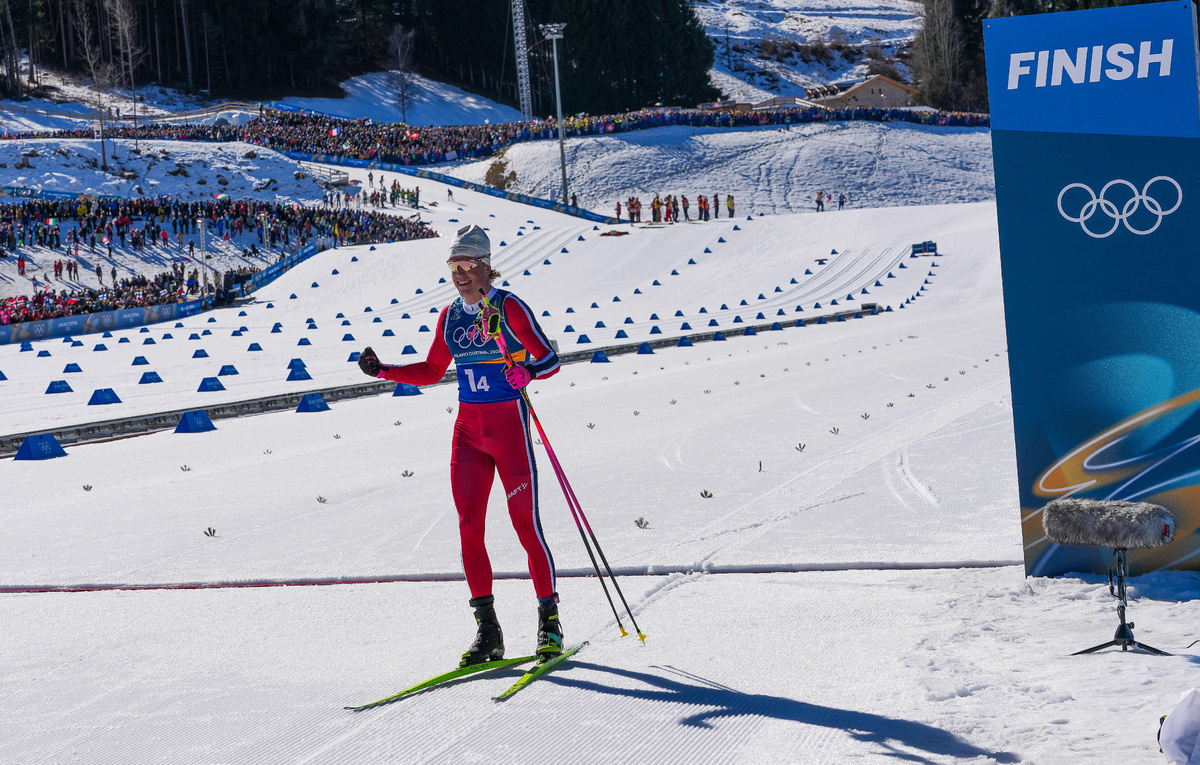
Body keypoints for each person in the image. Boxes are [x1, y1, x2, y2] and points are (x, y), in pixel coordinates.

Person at [357, 224, 564, 667]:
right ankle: (488, 632)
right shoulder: (450, 316)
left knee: (526, 527)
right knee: (469, 527)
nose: (461, 273)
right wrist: (384, 371)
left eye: (469, 263)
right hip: (469, 431)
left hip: (509, 428)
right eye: (454, 264)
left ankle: (549, 622)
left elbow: (549, 359)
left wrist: (526, 373)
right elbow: (433, 370)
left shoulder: (509, 307)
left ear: (487, 266)